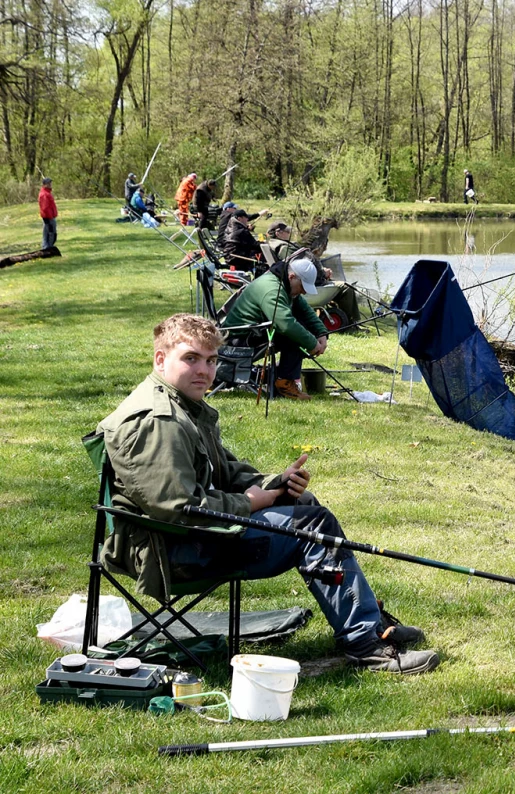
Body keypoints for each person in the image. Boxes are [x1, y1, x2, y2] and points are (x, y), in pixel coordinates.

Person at [96, 314, 437, 674]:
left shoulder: (181, 405)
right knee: (312, 528)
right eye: (191, 358)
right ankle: (367, 646)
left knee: (302, 503)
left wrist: (277, 483)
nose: (205, 371)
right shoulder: (158, 420)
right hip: (174, 552)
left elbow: (223, 471)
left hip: (191, 536)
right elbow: (178, 508)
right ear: (161, 359)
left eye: (212, 361)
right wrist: (250, 503)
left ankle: (368, 621)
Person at [220, 256, 329, 401]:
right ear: (292, 277)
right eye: (303, 287)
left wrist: (321, 333)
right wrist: (312, 344)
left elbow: (304, 310)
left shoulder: (285, 283)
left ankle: (283, 379)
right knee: (294, 334)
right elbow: (285, 324)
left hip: (254, 333)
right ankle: (284, 384)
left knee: (299, 329)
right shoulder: (272, 289)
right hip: (238, 341)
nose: (304, 292)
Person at [39, 177, 58, 250]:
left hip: (50, 217)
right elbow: (45, 208)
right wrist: (50, 217)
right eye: (48, 183)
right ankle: (47, 248)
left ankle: (48, 247)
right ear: (44, 185)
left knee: (50, 232)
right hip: (48, 217)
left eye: (50, 183)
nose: (50, 184)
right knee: (51, 233)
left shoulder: (47, 193)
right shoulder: (44, 194)